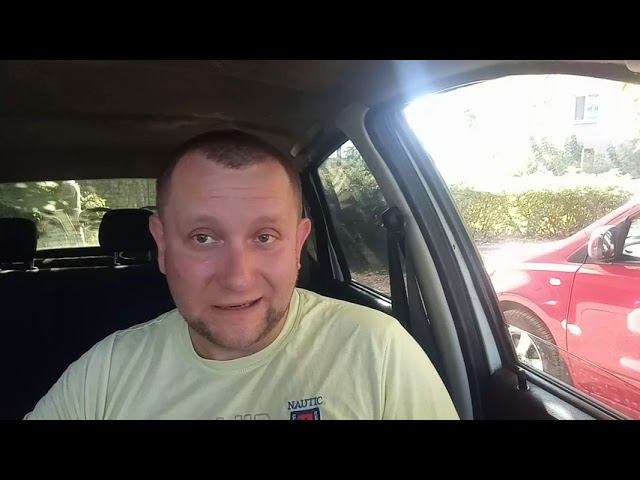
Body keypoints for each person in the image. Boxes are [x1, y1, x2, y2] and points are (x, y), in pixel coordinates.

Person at [25, 130, 459, 420]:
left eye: (265, 237)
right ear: (162, 245)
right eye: (203, 238)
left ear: (297, 245)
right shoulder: (104, 375)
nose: (237, 279)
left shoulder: (379, 352)